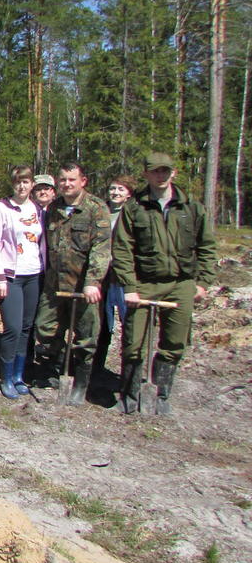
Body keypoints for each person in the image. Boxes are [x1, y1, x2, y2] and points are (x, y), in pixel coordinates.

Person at [112, 153, 216, 415]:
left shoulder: (191, 207)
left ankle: (161, 394)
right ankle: (130, 394)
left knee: (174, 343)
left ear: (174, 173)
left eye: (165, 171)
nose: (161, 176)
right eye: (155, 171)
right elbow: (123, 249)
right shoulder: (135, 208)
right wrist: (130, 286)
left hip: (181, 283)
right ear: (146, 174)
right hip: (144, 282)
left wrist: (202, 283)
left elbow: (207, 246)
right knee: (134, 342)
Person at [32, 163, 112, 404]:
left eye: (72, 179)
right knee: (45, 328)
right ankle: (54, 373)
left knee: (86, 338)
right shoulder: (54, 208)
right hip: (55, 284)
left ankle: (80, 383)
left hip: (83, 286)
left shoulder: (96, 209)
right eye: (63, 180)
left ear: (83, 181)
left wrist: (93, 282)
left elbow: (101, 248)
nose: (67, 184)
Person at [0, 166, 45, 400]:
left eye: (26, 182)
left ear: (32, 184)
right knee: (11, 328)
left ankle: (19, 375)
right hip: (11, 277)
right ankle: (6, 376)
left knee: (26, 328)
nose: (22, 186)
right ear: (12, 184)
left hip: (35, 274)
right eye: (18, 182)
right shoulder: (1, 209)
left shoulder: (38, 210)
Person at [93, 174, 138, 375]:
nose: (116, 193)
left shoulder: (134, 214)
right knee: (102, 322)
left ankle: (128, 372)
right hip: (103, 275)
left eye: (121, 189)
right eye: (113, 188)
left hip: (124, 277)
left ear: (129, 193)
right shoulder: (103, 213)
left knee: (130, 324)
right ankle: (97, 367)